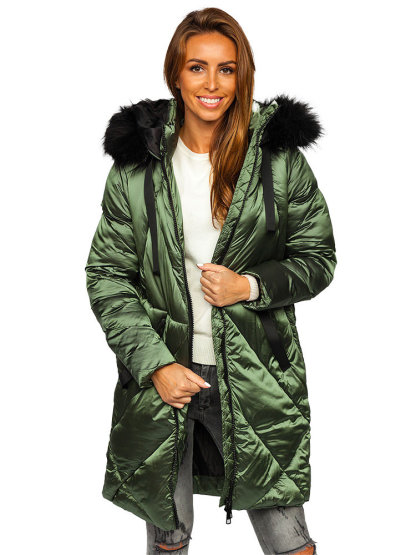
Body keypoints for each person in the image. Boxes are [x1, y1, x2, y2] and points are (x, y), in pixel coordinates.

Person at [85, 7, 336, 555]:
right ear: (176, 74)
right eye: (197, 67)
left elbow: (318, 258)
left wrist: (250, 286)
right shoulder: (137, 165)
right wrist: (155, 365)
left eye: (227, 69)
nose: (212, 84)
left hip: (254, 374)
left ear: (242, 76)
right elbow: (108, 276)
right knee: (169, 541)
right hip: (165, 377)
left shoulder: (278, 160)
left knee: (290, 541)